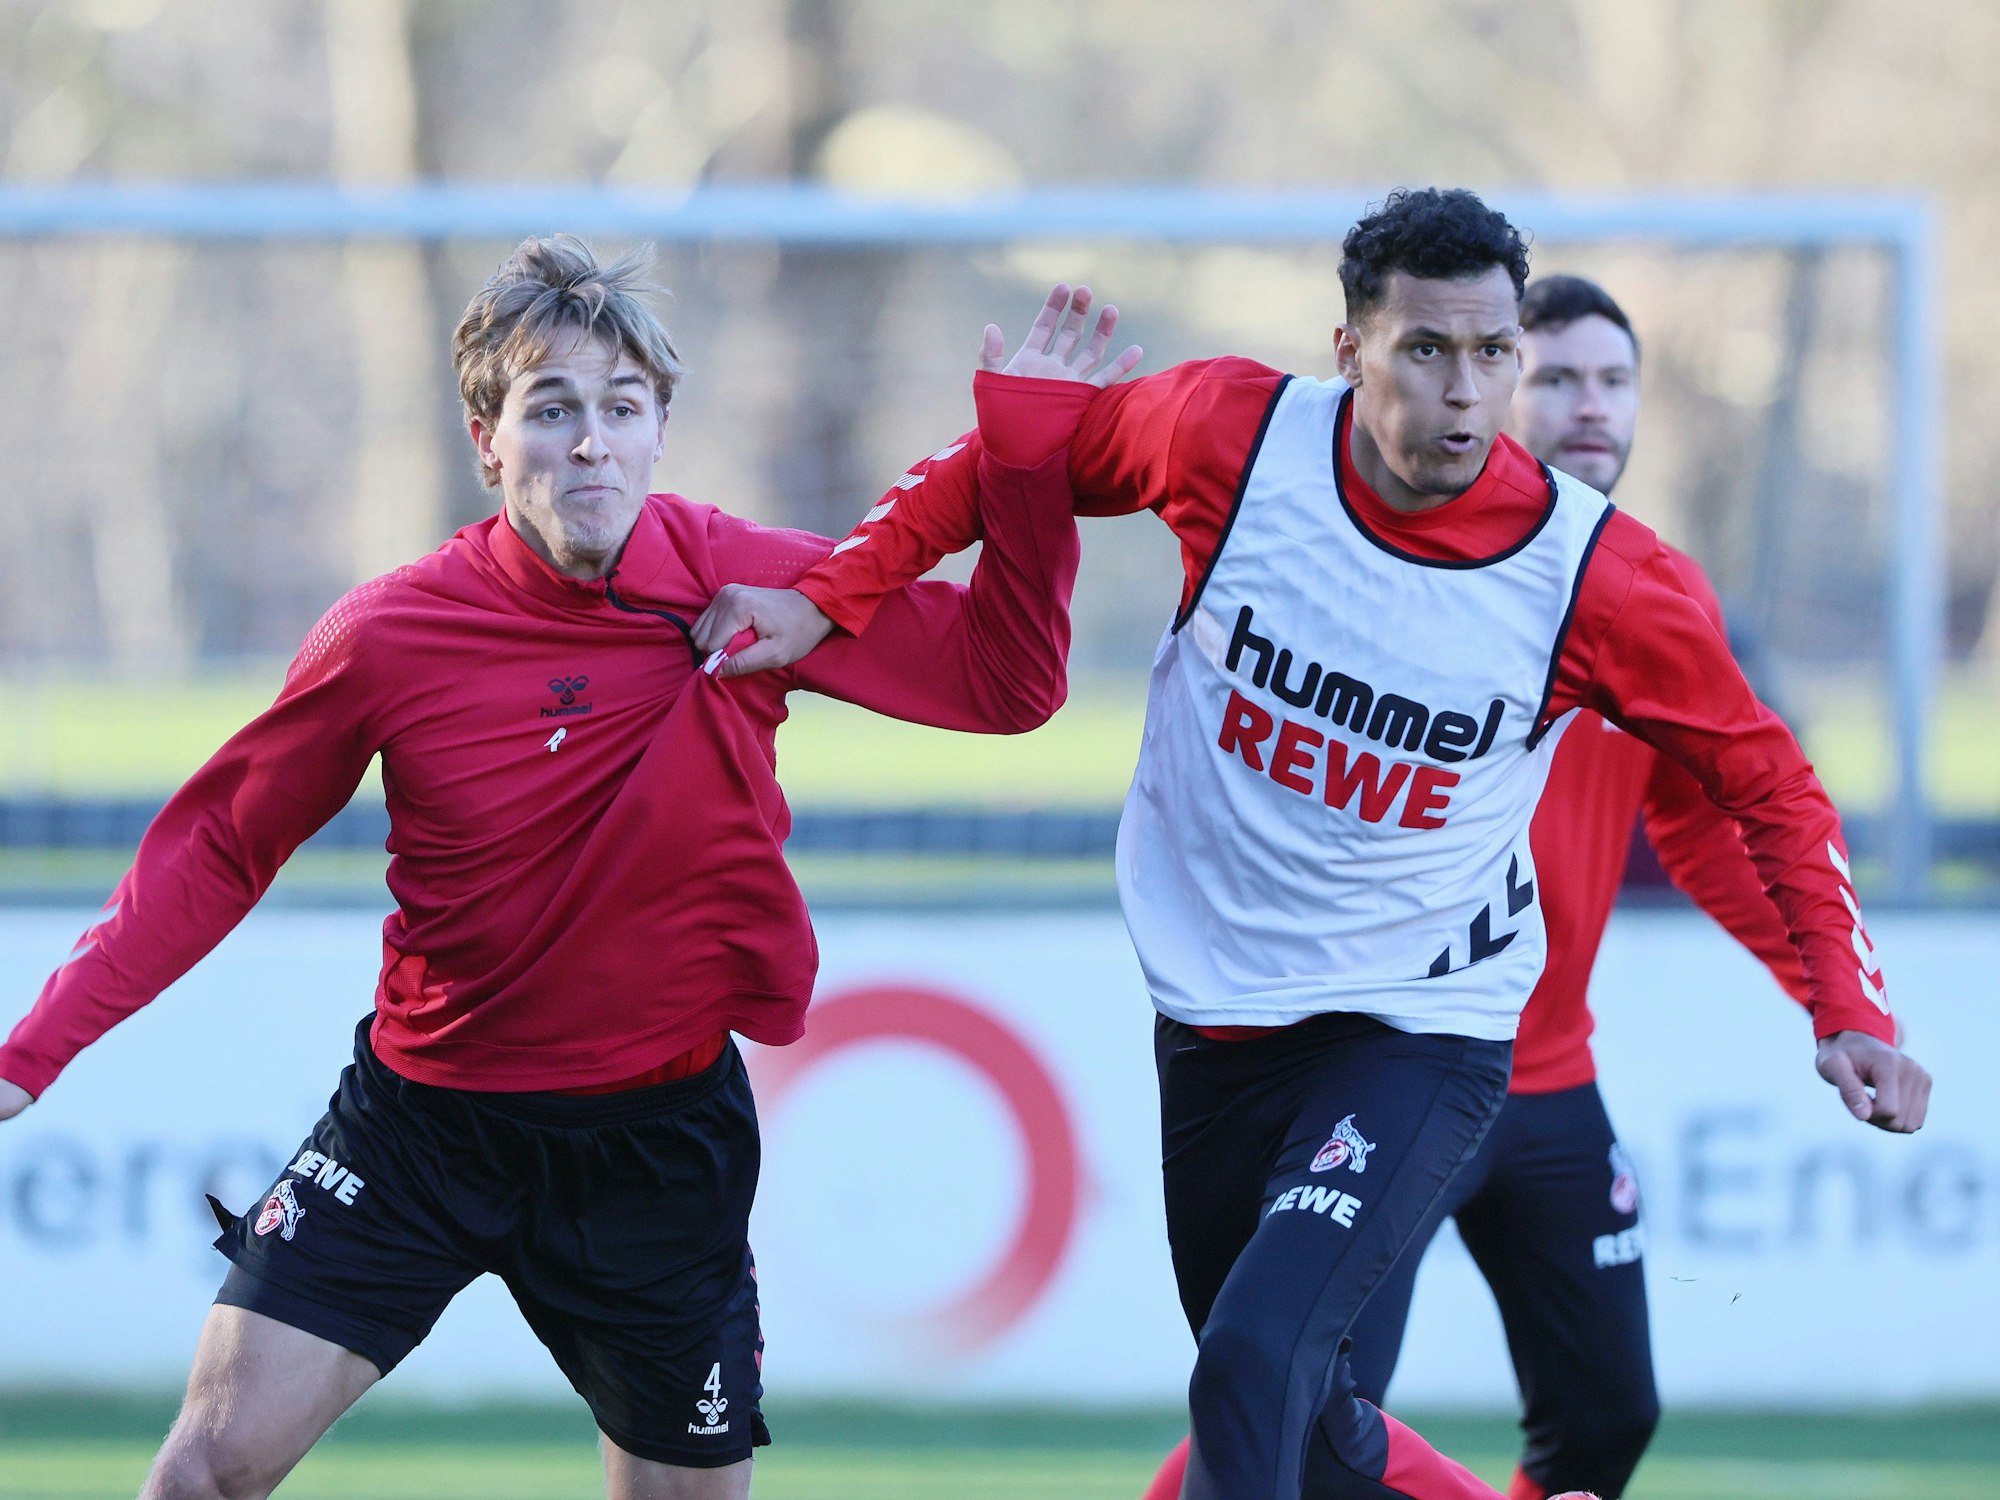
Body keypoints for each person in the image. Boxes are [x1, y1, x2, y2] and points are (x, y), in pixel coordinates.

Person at [692, 190, 1931, 1500]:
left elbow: (1769, 787)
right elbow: (1017, 459)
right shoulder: (1230, 432)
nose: (1466, 393)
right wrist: (825, 599)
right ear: (1349, 348)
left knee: (1250, 1370)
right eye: (1426, 351)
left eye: (1492, 353)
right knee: (1304, 1418)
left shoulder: (1601, 578)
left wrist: (1846, 1007)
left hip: (1417, 1031)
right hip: (1213, 1027)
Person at [0, 236, 1134, 1500]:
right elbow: (220, 846)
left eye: (620, 408)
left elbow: (1006, 682)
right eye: (551, 409)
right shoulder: (387, 635)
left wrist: (1026, 466)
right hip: (420, 1125)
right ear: (489, 442)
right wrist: (31, 1050)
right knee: (197, 1476)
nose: (589, 440)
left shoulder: (738, 584)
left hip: (656, 1147)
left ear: (658, 434)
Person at [1130, 274, 1840, 1500]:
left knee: (1608, 1414)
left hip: (1547, 1078)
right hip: (1385, 1044)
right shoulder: (1408, 582)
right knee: (1288, 1393)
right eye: (1555, 377)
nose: (1586, 407)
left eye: (1612, 381)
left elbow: (1710, 822)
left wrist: (1832, 1002)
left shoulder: (1640, 599)